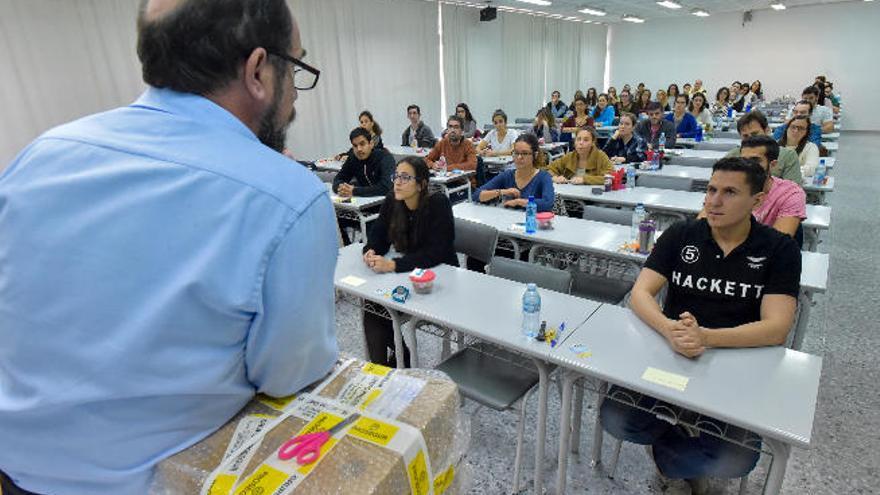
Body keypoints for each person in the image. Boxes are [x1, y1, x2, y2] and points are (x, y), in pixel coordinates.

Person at [0, 1, 339, 494]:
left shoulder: (40, 154)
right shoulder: (287, 199)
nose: (294, 95)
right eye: (296, 66)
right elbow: (289, 375)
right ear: (259, 70)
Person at [602, 157, 801, 494]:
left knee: (736, 459)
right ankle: (684, 441)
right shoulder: (682, 234)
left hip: (735, 364)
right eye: (711, 190)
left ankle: (669, 457)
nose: (714, 201)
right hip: (669, 355)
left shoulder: (778, 249)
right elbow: (641, 293)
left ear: (757, 200)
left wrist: (706, 337)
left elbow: (776, 327)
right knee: (615, 418)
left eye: (729, 192)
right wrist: (668, 329)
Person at [362, 156, 458, 366]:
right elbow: (378, 234)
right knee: (373, 304)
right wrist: (370, 250)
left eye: (405, 177)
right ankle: (387, 366)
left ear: (422, 184)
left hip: (438, 278)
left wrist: (393, 265)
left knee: (379, 306)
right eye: (396, 176)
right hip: (408, 274)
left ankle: (397, 358)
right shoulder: (392, 200)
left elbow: (437, 253)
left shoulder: (438, 203)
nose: (397, 182)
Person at [706, 136, 806, 237]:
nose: (748, 166)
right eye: (743, 160)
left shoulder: (790, 193)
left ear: (772, 165)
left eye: (755, 161)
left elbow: (777, 243)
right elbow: (703, 228)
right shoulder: (727, 186)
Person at [474, 133, 554, 212]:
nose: (519, 157)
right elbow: (477, 195)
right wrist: (502, 192)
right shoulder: (507, 175)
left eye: (525, 153)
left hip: (532, 222)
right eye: (516, 153)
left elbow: (547, 203)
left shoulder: (543, 177)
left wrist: (519, 202)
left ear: (535, 155)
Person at [724, 110, 803, 184]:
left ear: (767, 130)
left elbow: (793, 191)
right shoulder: (733, 156)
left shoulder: (788, 156)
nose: (751, 139)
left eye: (755, 134)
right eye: (745, 136)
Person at [333, 127, 396, 198]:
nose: (359, 149)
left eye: (362, 144)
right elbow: (338, 179)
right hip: (364, 202)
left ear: (371, 144)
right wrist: (342, 189)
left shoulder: (385, 157)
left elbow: (386, 187)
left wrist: (355, 191)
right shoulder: (352, 159)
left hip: (388, 202)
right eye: (355, 146)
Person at [548, 127, 613, 185]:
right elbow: (548, 169)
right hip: (570, 195)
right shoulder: (569, 156)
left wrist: (585, 180)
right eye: (578, 139)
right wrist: (554, 178)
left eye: (586, 140)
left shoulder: (601, 156)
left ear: (593, 142)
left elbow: (611, 177)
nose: (581, 143)